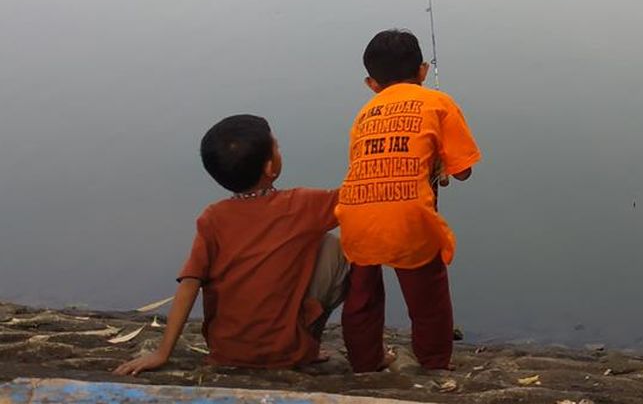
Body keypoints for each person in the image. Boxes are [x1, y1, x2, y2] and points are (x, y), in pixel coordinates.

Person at [114, 115, 376, 374]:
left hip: (227, 351)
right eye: (276, 147)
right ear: (270, 168)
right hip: (287, 353)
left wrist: (162, 353)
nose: (279, 149)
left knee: (312, 243)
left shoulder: (213, 218)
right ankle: (308, 344)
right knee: (336, 247)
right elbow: (360, 196)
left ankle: (296, 343)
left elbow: (190, 283)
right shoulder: (303, 204)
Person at [337, 29, 481, 372]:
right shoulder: (439, 102)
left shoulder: (364, 114)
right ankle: (433, 363)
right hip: (409, 217)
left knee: (362, 297)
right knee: (427, 296)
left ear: (371, 83)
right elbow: (463, 172)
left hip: (355, 214)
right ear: (422, 71)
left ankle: (365, 362)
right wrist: (442, 163)